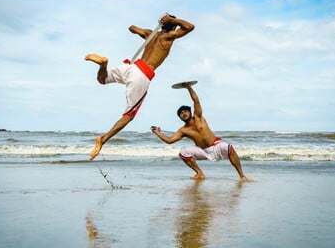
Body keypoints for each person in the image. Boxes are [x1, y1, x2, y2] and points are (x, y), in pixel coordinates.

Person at [85, 14, 194, 160]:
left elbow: (131, 28)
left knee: (102, 79)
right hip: (142, 75)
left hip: (131, 67)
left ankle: (104, 63)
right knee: (129, 116)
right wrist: (172, 21)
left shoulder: (150, 34)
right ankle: (102, 140)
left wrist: (147, 29)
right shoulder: (168, 37)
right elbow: (190, 27)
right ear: (173, 26)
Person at [151, 83, 248, 181]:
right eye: (181, 113)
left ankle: (242, 176)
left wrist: (188, 87)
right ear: (180, 118)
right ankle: (200, 173)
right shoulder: (183, 130)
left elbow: (196, 100)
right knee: (183, 153)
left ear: (190, 112)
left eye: (185, 111)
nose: (183, 113)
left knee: (228, 147)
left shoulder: (198, 116)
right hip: (203, 151)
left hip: (216, 145)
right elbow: (169, 140)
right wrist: (157, 132)